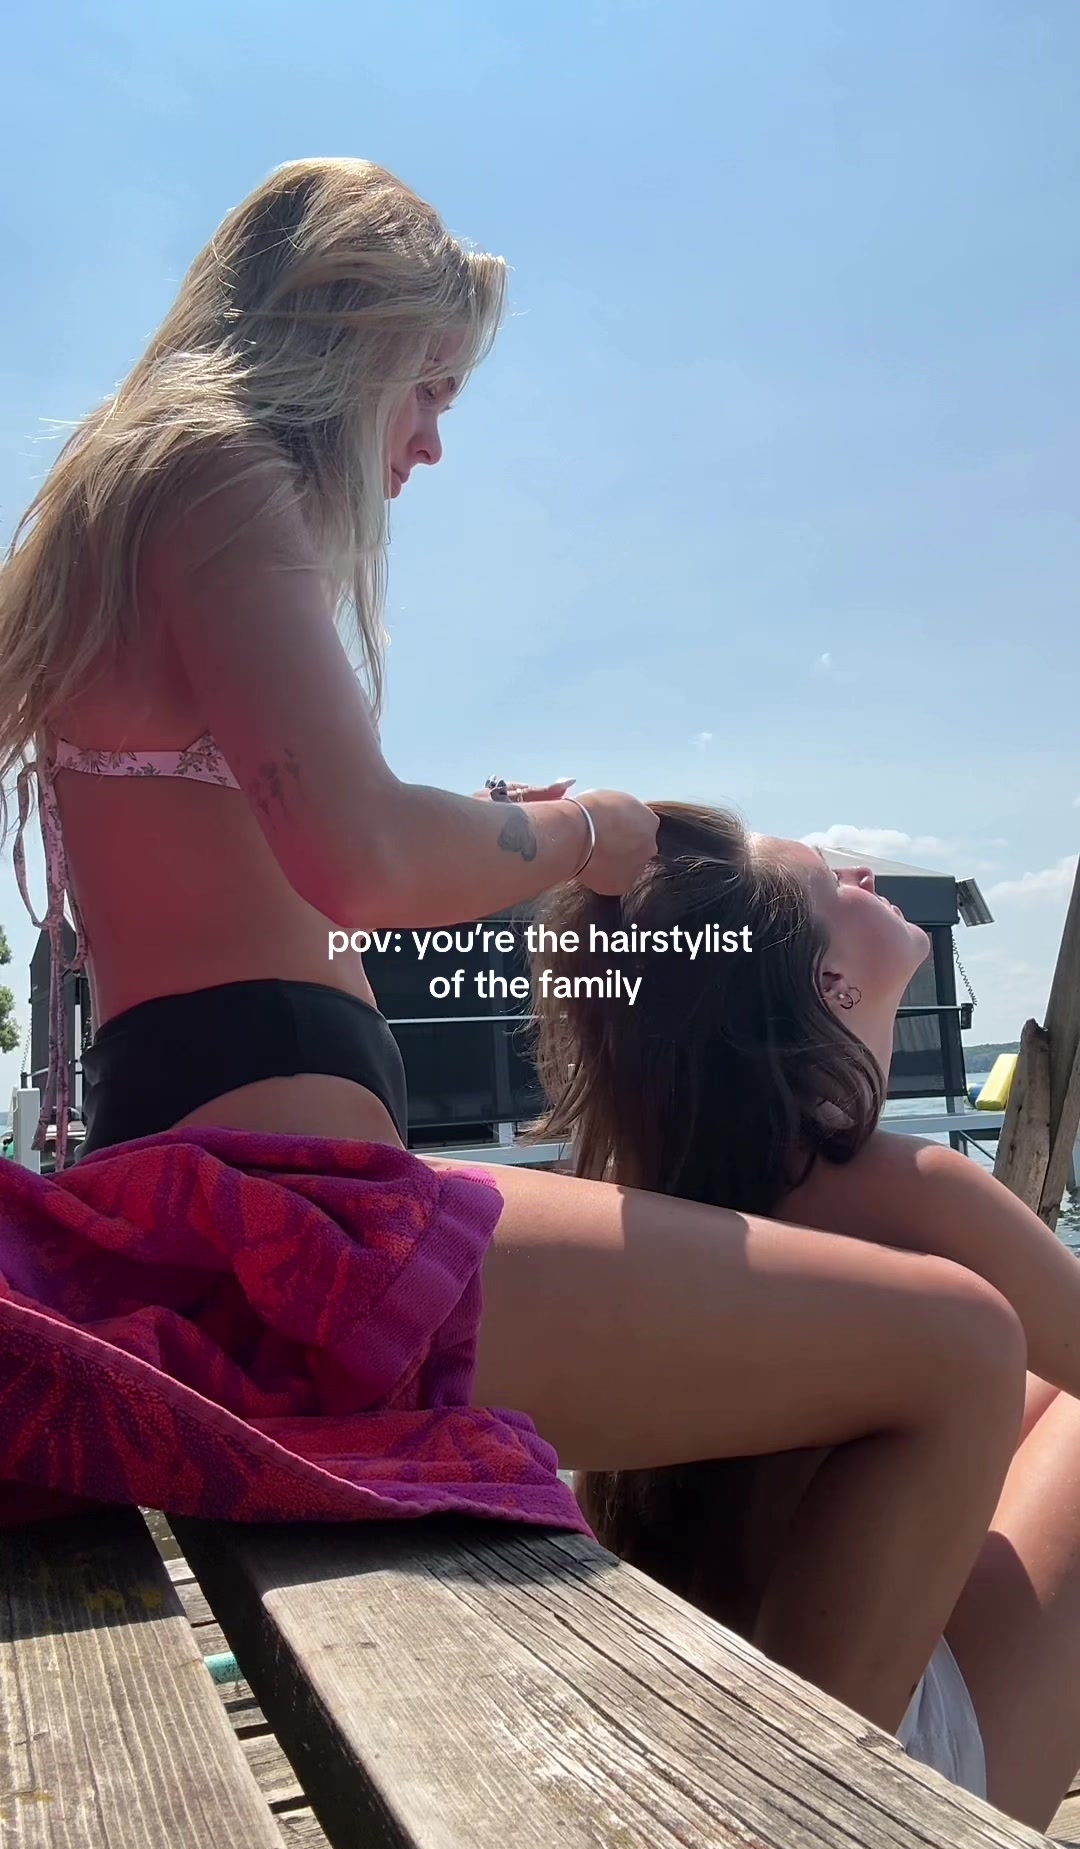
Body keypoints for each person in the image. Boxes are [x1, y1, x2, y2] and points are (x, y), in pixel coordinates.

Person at [0, 157, 1029, 1747]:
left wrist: (479, 827)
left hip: (236, 1215)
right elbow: (358, 857)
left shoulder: (125, 503)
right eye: (429, 384)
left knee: (935, 1347)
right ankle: (826, 1846)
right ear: (346, 334)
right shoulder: (221, 476)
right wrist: (589, 834)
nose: (429, 439)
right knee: (961, 1346)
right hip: (299, 1246)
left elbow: (308, 843)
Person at [528, 800, 1080, 1829]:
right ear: (828, 985)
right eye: (833, 883)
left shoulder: (691, 1189)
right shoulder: (902, 1187)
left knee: (1049, 1382)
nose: (867, 876)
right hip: (880, 1790)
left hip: (743, 1707)